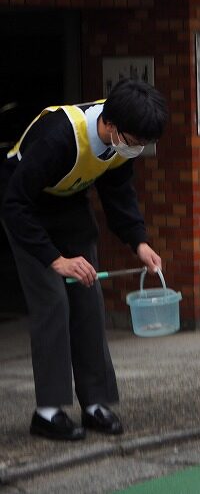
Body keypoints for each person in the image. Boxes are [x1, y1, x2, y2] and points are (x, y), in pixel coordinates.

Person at [0, 79, 169, 440]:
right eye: (134, 141)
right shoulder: (58, 136)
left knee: (88, 300)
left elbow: (119, 195)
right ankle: (47, 413)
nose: (136, 149)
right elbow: (14, 204)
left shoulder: (120, 140)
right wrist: (54, 259)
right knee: (53, 304)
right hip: (24, 208)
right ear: (110, 126)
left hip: (69, 208)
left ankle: (95, 403)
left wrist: (138, 242)